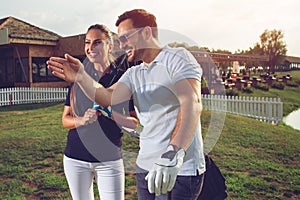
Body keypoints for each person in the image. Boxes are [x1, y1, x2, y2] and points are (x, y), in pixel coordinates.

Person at [47, 9, 206, 200]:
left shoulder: (177, 58)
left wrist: (173, 153)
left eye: (125, 38)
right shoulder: (134, 73)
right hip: (146, 167)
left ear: (147, 32)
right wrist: (81, 77)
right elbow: (107, 96)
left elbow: (192, 103)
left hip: (180, 169)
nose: (121, 45)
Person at [61, 24, 138, 200]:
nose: (90, 47)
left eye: (97, 42)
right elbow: (65, 119)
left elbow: (133, 122)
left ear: (109, 46)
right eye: (87, 43)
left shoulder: (122, 78)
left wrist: (108, 111)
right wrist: (80, 121)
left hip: (109, 159)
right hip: (75, 158)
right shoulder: (78, 77)